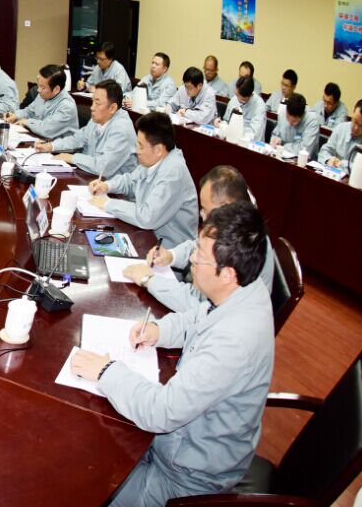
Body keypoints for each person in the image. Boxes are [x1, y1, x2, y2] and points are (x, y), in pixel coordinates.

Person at [72, 202, 273, 507]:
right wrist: (159, 331)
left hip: (185, 477)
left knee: (87, 486)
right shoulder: (244, 289)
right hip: (176, 444)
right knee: (92, 442)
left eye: (199, 256)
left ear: (227, 274)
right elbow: (197, 317)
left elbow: (161, 412)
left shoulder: (233, 342)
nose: (191, 259)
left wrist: (105, 371)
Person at [124, 165, 276, 312]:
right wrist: (171, 255)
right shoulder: (236, 224)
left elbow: (200, 308)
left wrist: (150, 281)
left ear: (225, 206)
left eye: (206, 210)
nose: (203, 216)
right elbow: (198, 246)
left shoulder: (244, 242)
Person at [88, 111, 198, 247]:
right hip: (147, 235)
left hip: (168, 249)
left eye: (140, 146)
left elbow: (147, 217)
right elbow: (131, 181)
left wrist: (107, 204)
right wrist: (107, 186)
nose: (136, 150)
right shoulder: (155, 159)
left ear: (158, 150)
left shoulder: (173, 173)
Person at [36, 80, 137, 178]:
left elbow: (103, 167)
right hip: (91, 176)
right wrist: (51, 146)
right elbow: (77, 139)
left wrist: (72, 158)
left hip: (112, 185)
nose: (92, 108)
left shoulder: (122, 130)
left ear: (112, 108)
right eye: (93, 102)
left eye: (97, 103)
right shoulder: (98, 118)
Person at [6, 64, 78, 140]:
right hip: (40, 139)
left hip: (58, 145)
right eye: (39, 86)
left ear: (56, 89)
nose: (38, 90)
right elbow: (29, 111)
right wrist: (16, 115)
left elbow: (46, 129)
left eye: (43, 87)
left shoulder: (67, 106)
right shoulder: (43, 94)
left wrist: (27, 122)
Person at [319, 100, 362, 179]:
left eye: (361, 126)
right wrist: (328, 160)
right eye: (355, 121)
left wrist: (341, 164)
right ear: (352, 114)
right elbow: (324, 151)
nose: (356, 128)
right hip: (331, 176)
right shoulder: (341, 128)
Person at [270, 94, 321, 160]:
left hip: (303, 161)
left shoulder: (312, 121)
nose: (290, 123)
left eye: (295, 121)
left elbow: (304, 150)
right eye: (287, 118)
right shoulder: (283, 112)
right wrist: (275, 140)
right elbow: (275, 134)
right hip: (280, 156)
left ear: (302, 115)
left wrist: (283, 146)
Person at [222, 75, 267, 142]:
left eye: (242, 100)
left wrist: (236, 131)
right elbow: (226, 120)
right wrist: (222, 125)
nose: (238, 100)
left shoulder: (260, 107)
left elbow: (255, 134)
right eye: (237, 95)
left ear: (251, 95)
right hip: (230, 138)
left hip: (248, 143)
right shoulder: (234, 99)